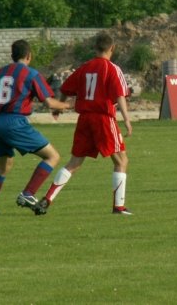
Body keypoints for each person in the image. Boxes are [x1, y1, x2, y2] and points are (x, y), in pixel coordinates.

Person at [35, 32, 133, 216]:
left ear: (95, 48)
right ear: (112, 48)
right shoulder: (112, 69)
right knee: (121, 160)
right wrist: (127, 119)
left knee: (74, 162)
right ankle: (118, 207)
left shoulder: (85, 67)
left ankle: (47, 199)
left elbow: (65, 88)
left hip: (84, 119)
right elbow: (120, 94)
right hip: (103, 118)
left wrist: (59, 107)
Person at [0, 39, 72, 215]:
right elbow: (50, 103)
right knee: (52, 156)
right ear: (29, 55)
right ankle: (28, 194)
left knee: (4, 166)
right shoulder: (31, 74)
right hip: (15, 122)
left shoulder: (0, 73)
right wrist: (68, 106)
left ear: (12, 56)